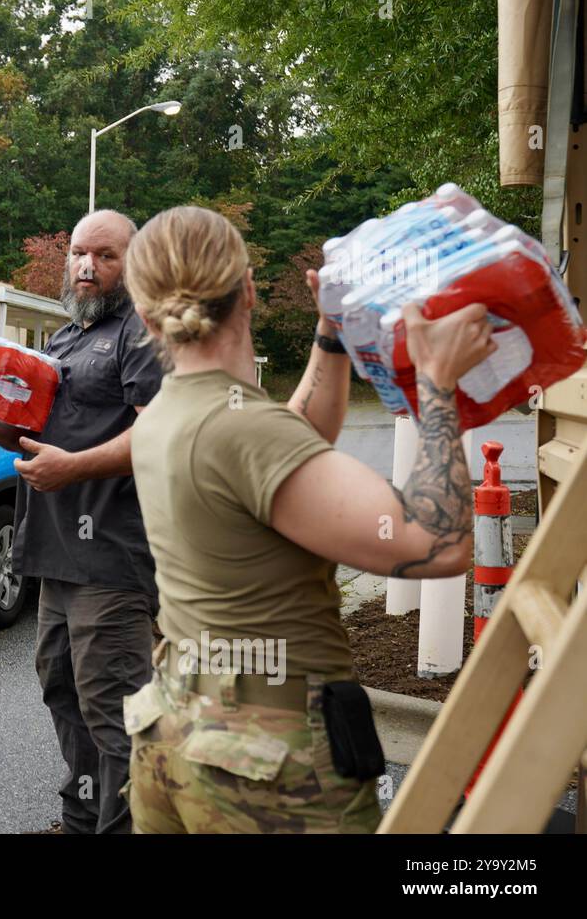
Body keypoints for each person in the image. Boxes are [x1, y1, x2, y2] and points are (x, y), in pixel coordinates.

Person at [122, 205, 493, 833]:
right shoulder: (244, 430)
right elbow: (438, 544)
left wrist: (331, 334)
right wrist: (436, 384)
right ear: (248, 290)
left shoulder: (167, 414)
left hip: (174, 734)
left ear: (142, 310)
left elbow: (285, 448)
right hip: (268, 765)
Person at [0, 209, 163, 834]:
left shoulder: (143, 331)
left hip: (112, 556)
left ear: (133, 264)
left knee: (115, 709)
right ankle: (81, 819)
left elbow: (161, 433)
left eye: (105, 255)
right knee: (63, 692)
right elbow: (37, 435)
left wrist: (73, 469)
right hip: (54, 552)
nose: (85, 267)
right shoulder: (65, 338)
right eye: (78, 252)